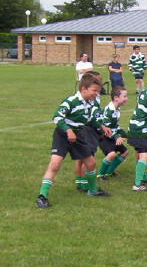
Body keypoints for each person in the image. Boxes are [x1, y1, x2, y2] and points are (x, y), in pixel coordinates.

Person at [35, 73, 111, 208]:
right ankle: (42, 197)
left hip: (78, 135)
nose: (96, 94)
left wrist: (101, 126)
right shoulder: (71, 101)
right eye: (94, 91)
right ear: (83, 89)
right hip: (63, 135)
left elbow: (88, 119)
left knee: (91, 162)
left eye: (97, 91)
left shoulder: (89, 103)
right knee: (55, 164)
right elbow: (57, 117)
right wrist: (68, 130)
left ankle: (92, 191)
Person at [96, 86, 129, 180]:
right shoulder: (109, 110)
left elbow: (115, 126)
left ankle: (108, 172)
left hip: (111, 135)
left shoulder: (117, 109)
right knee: (111, 154)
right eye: (124, 96)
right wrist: (117, 136)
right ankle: (100, 175)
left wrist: (127, 135)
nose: (126, 99)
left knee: (125, 152)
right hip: (103, 136)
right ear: (116, 98)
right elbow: (107, 128)